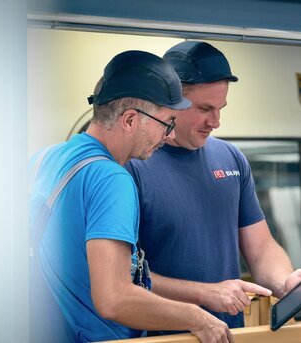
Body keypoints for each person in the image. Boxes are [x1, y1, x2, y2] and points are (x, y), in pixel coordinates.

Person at [29, 50, 234, 343]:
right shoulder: (112, 179)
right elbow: (114, 298)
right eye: (166, 122)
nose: (168, 135)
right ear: (129, 120)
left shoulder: (43, 160)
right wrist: (197, 317)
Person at [125, 41, 301, 330]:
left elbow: (261, 247)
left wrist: (284, 281)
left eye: (220, 108)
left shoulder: (231, 158)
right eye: (205, 108)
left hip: (226, 334)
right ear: (171, 101)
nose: (215, 121)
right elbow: (125, 279)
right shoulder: (133, 165)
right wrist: (206, 293)